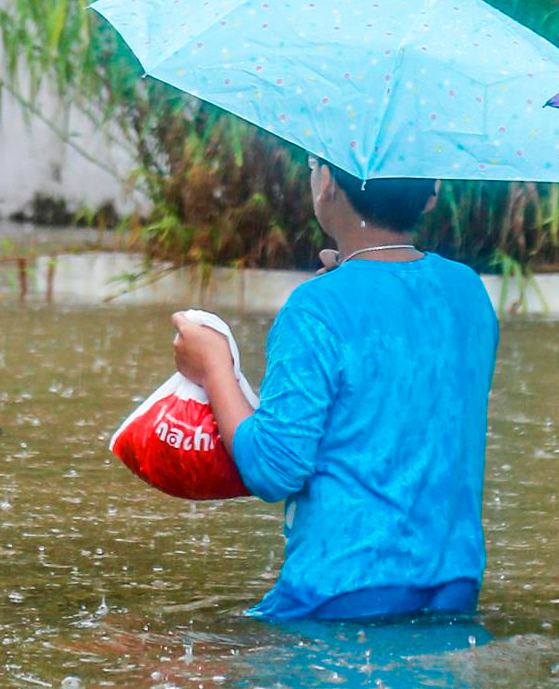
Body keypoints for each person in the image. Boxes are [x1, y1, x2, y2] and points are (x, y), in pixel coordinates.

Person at [170, 156, 499, 621]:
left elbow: (273, 467)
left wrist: (213, 367)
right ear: (432, 192)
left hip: (338, 591)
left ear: (325, 184)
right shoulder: (467, 290)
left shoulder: (316, 309)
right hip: (453, 586)